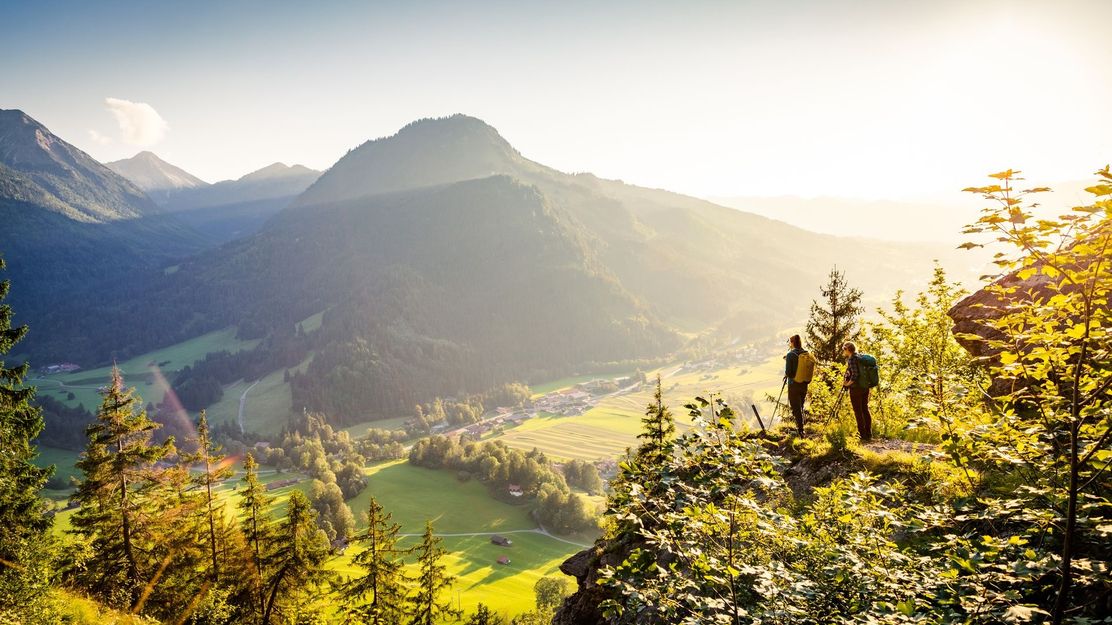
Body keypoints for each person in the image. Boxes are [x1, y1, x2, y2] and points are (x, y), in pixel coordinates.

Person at [841, 341, 872, 442]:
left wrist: (847, 384)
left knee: (858, 411)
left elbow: (855, 375)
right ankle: (868, 433)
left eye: (844, 349)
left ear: (848, 349)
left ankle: (862, 434)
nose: (843, 351)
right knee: (865, 409)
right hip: (865, 387)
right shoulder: (860, 357)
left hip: (856, 389)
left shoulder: (852, 359)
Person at [783, 334, 812, 437]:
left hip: (793, 384)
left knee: (796, 408)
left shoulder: (790, 355)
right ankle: (800, 428)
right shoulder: (806, 353)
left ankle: (800, 430)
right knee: (801, 406)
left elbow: (789, 373)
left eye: (790, 342)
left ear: (792, 343)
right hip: (804, 384)